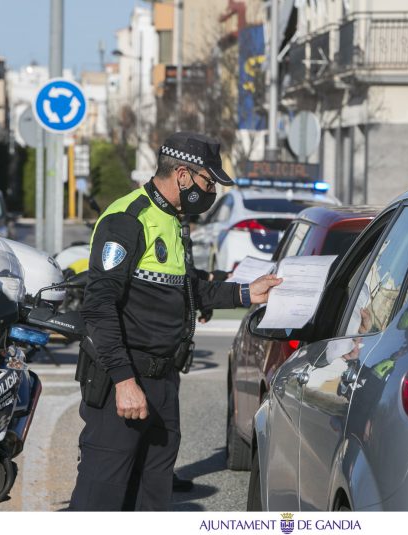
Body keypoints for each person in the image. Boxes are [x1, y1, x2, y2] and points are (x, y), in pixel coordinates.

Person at [69, 132, 281, 511]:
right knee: (100, 502)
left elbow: (187, 289)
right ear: (182, 175)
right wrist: (124, 381)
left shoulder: (173, 220)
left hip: (163, 383)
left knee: (153, 500)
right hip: (124, 382)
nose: (210, 189)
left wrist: (246, 293)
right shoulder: (127, 219)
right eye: (207, 181)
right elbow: (98, 308)